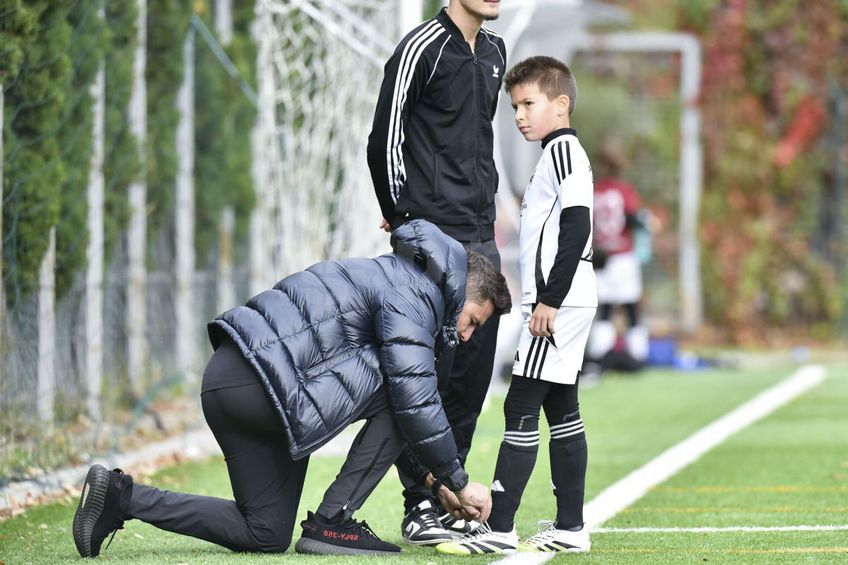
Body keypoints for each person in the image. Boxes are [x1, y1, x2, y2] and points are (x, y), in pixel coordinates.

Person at [71, 219, 511, 558]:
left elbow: (400, 411)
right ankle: (334, 520)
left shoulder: (397, 275)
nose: (467, 335)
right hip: (262, 387)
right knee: (406, 390)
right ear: (460, 290)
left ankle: (120, 496)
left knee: (265, 533)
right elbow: (412, 400)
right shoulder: (417, 292)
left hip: (230, 384)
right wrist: (459, 481)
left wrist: (435, 484)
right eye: (473, 320)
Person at [437, 56, 596, 555]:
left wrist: (549, 299)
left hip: (559, 302)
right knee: (560, 407)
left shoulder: (564, 151)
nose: (520, 115)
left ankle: (500, 528)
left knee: (520, 404)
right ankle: (570, 528)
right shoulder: (552, 154)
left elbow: (577, 225)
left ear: (561, 104)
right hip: (565, 300)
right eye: (514, 107)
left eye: (529, 104)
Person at [366, 0, 508, 546]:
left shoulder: (495, 51)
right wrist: (403, 216)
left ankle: (453, 495)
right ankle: (419, 503)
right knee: (428, 376)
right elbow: (384, 138)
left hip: (483, 236)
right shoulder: (419, 48)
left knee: (471, 379)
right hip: (434, 238)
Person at [584, 140, 649, 379]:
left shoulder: (594, 190)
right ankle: (638, 355)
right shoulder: (624, 190)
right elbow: (632, 219)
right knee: (630, 307)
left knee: (605, 308)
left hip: (602, 258)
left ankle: (598, 356)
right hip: (623, 256)